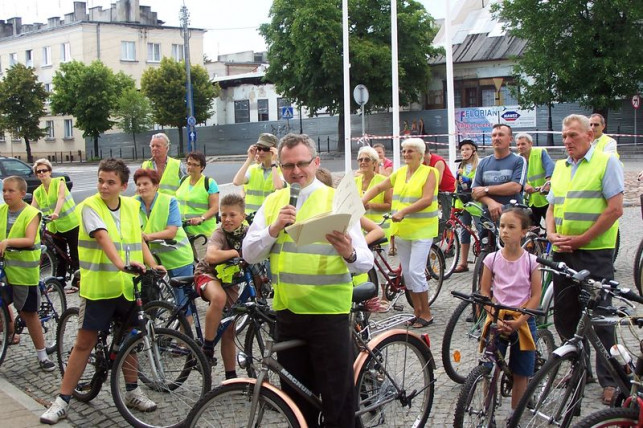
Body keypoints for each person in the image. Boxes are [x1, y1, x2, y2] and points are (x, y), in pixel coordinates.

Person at [243, 133, 373, 427]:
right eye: (287, 166)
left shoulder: (335, 200)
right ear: (280, 167)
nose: (295, 171)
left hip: (329, 315)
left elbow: (366, 260)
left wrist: (349, 253)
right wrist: (273, 230)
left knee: (338, 401)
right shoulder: (274, 202)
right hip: (288, 314)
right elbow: (249, 254)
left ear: (316, 163)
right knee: (296, 401)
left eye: (302, 163)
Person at [40, 159, 165, 424]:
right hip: (98, 288)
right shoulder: (90, 207)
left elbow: (138, 239)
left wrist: (154, 265)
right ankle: (62, 399)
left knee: (131, 340)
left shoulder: (131, 206)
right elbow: (102, 236)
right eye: (100, 180)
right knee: (84, 343)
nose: (104, 186)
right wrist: (122, 264)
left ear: (123, 185)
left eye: (110, 182)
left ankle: (132, 391)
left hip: (126, 288)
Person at [546, 114, 624, 405]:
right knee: (564, 316)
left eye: (573, 136)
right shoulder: (561, 167)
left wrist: (581, 239)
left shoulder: (606, 162)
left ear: (589, 136)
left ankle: (612, 379)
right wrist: (551, 233)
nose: (567, 141)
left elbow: (615, 210)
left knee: (601, 317)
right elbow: (552, 206)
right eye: (564, 136)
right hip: (562, 253)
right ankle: (579, 368)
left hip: (594, 253)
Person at [362, 137, 438, 329]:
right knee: (408, 274)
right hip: (403, 230)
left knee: (415, 271)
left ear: (420, 154)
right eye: (404, 151)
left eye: (410, 151)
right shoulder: (400, 173)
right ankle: (417, 312)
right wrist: (362, 200)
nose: (406, 154)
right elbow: (379, 187)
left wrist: (403, 211)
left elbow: (427, 199)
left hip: (422, 230)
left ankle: (426, 313)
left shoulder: (430, 172)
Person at [479, 207, 541, 411]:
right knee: (488, 367)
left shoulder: (532, 262)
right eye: (502, 226)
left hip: (522, 320)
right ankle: (485, 411)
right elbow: (485, 292)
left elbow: (535, 296)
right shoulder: (492, 259)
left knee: (521, 371)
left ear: (523, 231)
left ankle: (515, 413)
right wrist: (493, 316)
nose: (504, 231)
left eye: (511, 227)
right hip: (498, 317)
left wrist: (520, 321)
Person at [193, 193, 251, 380]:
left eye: (232, 215)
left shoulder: (247, 233)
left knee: (229, 330)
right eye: (223, 215)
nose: (227, 219)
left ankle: (231, 376)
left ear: (243, 216)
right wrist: (236, 251)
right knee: (218, 298)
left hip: (229, 281)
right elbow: (211, 256)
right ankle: (207, 348)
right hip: (207, 274)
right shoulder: (219, 233)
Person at [0, 176, 55, 370]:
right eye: (4, 190)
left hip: (24, 273)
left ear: (22, 193)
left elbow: (31, 239)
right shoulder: (1, 211)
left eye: (11, 191)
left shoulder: (31, 213)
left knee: (29, 313)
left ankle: (42, 355)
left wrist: (7, 243)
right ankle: (9, 331)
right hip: (5, 269)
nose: (6, 194)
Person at [133, 168, 194, 321]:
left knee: (183, 305)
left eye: (145, 184)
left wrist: (147, 236)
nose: (141, 187)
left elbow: (171, 231)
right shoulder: (132, 204)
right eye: (138, 184)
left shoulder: (169, 201)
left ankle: (185, 342)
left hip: (178, 257)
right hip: (151, 261)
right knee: (148, 302)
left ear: (156, 186)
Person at [31, 159, 80, 290]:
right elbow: (32, 209)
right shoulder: (37, 192)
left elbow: (61, 198)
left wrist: (56, 213)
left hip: (70, 223)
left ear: (50, 171)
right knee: (59, 256)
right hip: (54, 227)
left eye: (44, 170)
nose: (42, 173)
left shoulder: (59, 182)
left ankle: (77, 282)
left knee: (75, 253)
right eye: (38, 171)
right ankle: (60, 283)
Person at [354, 147, 392, 310]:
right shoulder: (354, 181)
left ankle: (383, 296)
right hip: (359, 227)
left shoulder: (382, 181)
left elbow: (389, 205)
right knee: (365, 265)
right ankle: (369, 297)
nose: (363, 162)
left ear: (375, 163)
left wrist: (371, 205)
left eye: (367, 159)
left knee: (380, 266)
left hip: (380, 226)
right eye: (360, 159)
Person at [472, 124, 526, 222]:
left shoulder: (519, 160)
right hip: (488, 220)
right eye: (494, 135)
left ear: (510, 139)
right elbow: (475, 192)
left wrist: (486, 189)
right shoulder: (483, 162)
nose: (496, 138)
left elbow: (515, 187)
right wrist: (491, 203)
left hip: (512, 219)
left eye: (501, 135)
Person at [232, 133, 285, 214]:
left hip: (270, 220)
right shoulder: (252, 169)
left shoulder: (282, 170)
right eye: (259, 149)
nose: (261, 152)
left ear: (274, 150)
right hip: (251, 220)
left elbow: (278, 186)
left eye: (266, 149)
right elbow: (236, 182)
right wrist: (249, 159)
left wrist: (274, 162)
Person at [176, 151, 219, 238]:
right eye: (189, 164)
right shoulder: (183, 180)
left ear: (202, 167)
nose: (191, 167)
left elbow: (214, 208)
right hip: (183, 231)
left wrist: (202, 218)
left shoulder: (209, 183)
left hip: (202, 233)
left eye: (195, 165)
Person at [515, 133, 554, 227]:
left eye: (523, 144)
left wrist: (548, 183)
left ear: (530, 143)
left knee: (551, 227)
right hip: (531, 200)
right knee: (531, 229)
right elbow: (516, 176)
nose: (520, 147)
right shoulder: (517, 159)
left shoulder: (540, 152)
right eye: (518, 145)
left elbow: (550, 167)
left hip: (546, 198)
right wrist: (524, 185)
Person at [453, 139, 480, 273]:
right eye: (462, 150)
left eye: (467, 149)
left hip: (475, 201)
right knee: (464, 230)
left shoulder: (479, 165)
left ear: (473, 151)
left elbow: (477, 181)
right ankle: (463, 263)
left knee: (481, 229)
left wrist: (468, 180)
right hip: (463, 201)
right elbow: (457, 185)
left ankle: (483, 260)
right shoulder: (460, 166)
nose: (464, 152)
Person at [423, 142, 456, 234]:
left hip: (448, 191)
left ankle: (446, 240)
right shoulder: (423, 162)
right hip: (436, 191)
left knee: (446, 218)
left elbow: (437, 182)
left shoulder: (438, 161)